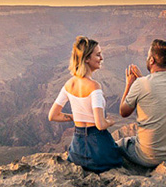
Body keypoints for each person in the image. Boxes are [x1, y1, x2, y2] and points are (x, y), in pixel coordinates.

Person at [48, 36, 125, 172]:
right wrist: (110, 122)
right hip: (98, 150)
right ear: (86, 59)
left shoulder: (69, 84)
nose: (101, 58)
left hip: (77, 151)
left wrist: (75, 117)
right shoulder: (94, 86)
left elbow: (53, 115)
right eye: (98, 55)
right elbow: (100, 125)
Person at [117, 38, 166, 168]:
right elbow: (155, 92)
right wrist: (141, 79)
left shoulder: (141, 84)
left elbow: (123, 112)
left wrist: (129, 84)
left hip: (148, 157)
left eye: (148, 55)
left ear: (152, 60)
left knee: (118, 144)